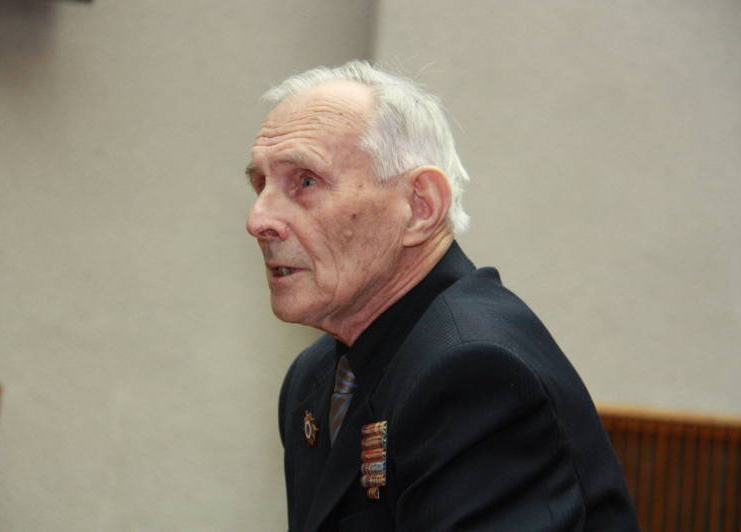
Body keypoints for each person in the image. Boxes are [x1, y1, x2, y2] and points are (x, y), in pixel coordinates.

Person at [245, 60, 638, 532]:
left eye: (305, 181)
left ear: (420, 207)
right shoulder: (314, 376)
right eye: (260, 184)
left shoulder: (475, 371)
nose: (258, 220)